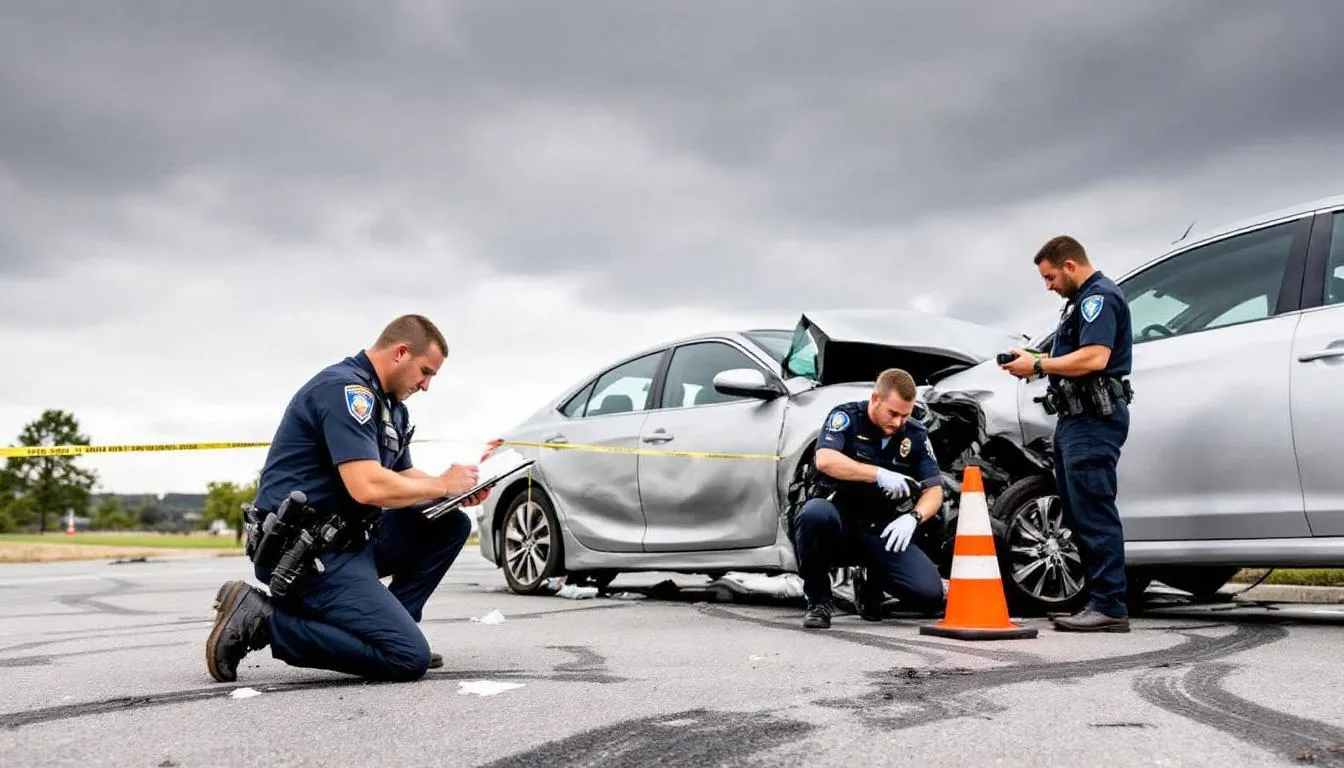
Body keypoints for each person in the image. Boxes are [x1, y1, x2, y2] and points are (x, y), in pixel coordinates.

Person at [205, 314, 489, 683]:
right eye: (425, 371)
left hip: (350, 540)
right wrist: (441, 486)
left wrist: (452, 489)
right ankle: (264, 621)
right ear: (401, 352)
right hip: (306, 554)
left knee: (449, 523)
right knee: (407, 659)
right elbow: (367, 487)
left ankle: (386, 628)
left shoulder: (391, 407)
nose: (426, 384)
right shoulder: (345, 392)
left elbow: (401, 475)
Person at [1002, 235, 1134, 632]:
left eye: (1050, 277)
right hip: (1077, 419)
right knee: (1078, 511)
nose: (1048, 286)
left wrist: (1040, 369)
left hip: (1094, 419)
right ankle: (1098, 601)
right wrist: (1034, 359)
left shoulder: (1099, 298)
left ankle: (1110, 605)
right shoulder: (1079, 303)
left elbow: (1095, 357)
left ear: (1070, 265)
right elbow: (1074, 355)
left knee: (1093, 510)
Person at [793, 368, 947, 629]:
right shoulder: (847, 418)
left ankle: (869, 582)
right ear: (876, 399)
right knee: (813, 515)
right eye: (893, 413)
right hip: (837, 522)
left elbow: (934, 491)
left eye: (905, 415)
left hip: (881, 530)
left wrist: (913, 517)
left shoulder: (915, 434)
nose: (898, 422)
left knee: (929, 595)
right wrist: (877, 474)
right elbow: (826, 460)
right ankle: (818, 601)